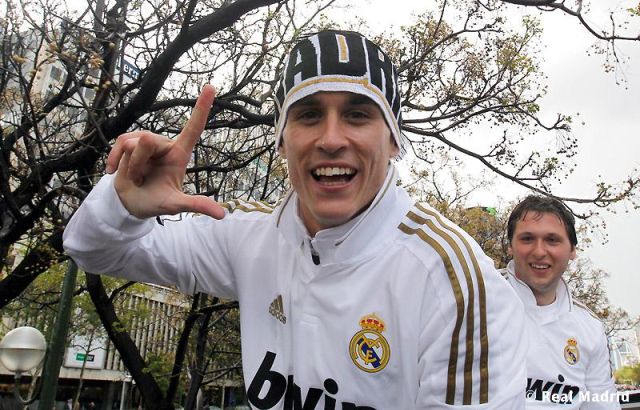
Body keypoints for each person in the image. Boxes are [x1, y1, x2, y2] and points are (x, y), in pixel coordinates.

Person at [63, 30, 526, 409]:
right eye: (308, 115)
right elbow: (91, 249)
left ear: (393, 141)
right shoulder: (248, 233)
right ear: (282, 141)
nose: (331, 139)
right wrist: (124, 204)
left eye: (357, 114)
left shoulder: (454, 279)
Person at [502, 195, 620, 409]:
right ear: (510, 246)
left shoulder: (590, 328)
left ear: (572, 250)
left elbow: (602, 403)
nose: (539, 251)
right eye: (527, 239)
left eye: (552, 240)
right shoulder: (475, 306)